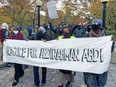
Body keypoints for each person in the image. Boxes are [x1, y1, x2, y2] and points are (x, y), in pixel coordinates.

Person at [83, 19, 114, 87]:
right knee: (90, 84)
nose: (95, 31)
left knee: (100, 83)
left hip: (101, 65)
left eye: (96, 28)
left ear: (100, 27)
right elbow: (78, 46)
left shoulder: (106, 36)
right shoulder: (86, 36)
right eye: (93, 28)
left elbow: (110, 50)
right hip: (90, 66)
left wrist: (112, 42)